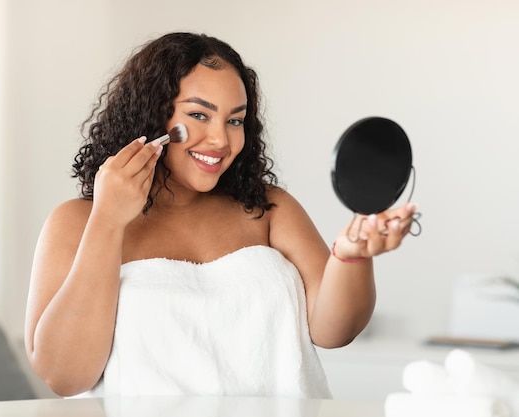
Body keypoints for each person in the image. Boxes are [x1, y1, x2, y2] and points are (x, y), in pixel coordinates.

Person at [24, 32, 417, 399]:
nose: (221, 140)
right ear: (152, 118)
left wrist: (351, 255)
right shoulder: (76, 222)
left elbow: (335, 331)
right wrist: (108, 221)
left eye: (235, 120)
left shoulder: (269, 209)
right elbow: (64, 375)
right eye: (199, 115)